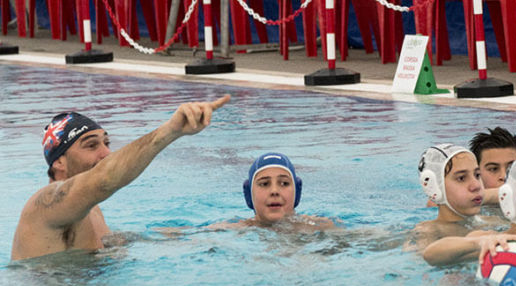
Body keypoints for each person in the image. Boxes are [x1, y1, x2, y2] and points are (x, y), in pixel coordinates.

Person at [11, 95, 231, 261]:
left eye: (106, 143)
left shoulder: (90, 209)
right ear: (59, 162)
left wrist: (201, 232)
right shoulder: (45, 204)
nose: (106, 154)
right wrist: (171, 131)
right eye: (91, 145)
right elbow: (104, 178)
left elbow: (109, 241)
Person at [407, 143, 516, 254]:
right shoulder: (427, 232)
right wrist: (476, 243)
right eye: (461, 178)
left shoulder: (493, 222)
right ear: (434, 187)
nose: (476, 185)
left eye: (477, 175)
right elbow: (425, 258)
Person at [204, 152, 336, 232]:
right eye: (264, 184)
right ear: (249, 195)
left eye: (284, 183)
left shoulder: (321, 227)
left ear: (297, 192)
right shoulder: (229, 230)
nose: (274, 191)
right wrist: (181, 132)